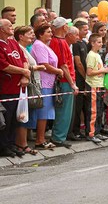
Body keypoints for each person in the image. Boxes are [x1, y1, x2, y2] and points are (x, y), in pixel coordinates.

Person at [28, 24, 62, 150]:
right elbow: (45, 65)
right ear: (41, 34)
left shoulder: (44, 45)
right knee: (43, 112)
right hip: (43, 82)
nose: (51, 34)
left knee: (46, 112)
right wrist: (58, 71)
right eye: (48, 32)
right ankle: (39, 140)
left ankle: (41, 138)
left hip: (49, 82)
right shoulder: (39, 45)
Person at [0, 20, 31, 158]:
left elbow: (24, 58)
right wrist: (23, 72)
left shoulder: (12, 42)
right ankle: (3, 146)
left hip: (19, 87)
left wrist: (25, 75)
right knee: (6, 119)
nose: (12, 28)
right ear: (1, 29)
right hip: (5, 89)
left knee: (16, 118)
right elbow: (5, 66)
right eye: (9, 26)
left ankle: (12, 144)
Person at [14, 26, 44, 156]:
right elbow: (23, 65)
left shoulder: (25, 49)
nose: (32, 36)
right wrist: (38, 67)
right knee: (22, 115)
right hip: (24, 86)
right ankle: (22, 144)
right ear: (20, 36)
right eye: (29, 33)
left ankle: (22, 143)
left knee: (26, 115)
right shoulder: (19, 48)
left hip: (30, 85)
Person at [49, 17, 79, 148]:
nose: (68, 26)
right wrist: (72, 83)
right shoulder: (59, 42)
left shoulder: (59, 41)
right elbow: (63, 65)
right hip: (65, 80)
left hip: (66, 79)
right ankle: (58, 137)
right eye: (67, 24)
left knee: (65, 110)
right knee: (64, 111)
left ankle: (60, 136)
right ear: (64, 27)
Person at [85, 33, 108, 144]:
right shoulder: (91, 55)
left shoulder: (97, 55)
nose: (101, 44)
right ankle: (91, 133)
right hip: (93, 85)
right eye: (99, 42)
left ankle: (97, 131)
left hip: (99, 85)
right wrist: (103, 71)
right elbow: (89, 72)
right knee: (93, 111)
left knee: (99, 110)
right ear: (92, 43)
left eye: (101, 42)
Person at [70, 20, 89, 140]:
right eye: (84, 29)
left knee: (83, 105)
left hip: (85, 78)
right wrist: (85, 76)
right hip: (79, 78)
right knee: (77, 106)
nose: (87, 31)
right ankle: (74, 130)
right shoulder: (76, 44)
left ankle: (80, 129)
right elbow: (78, 63)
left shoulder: (84, 43)